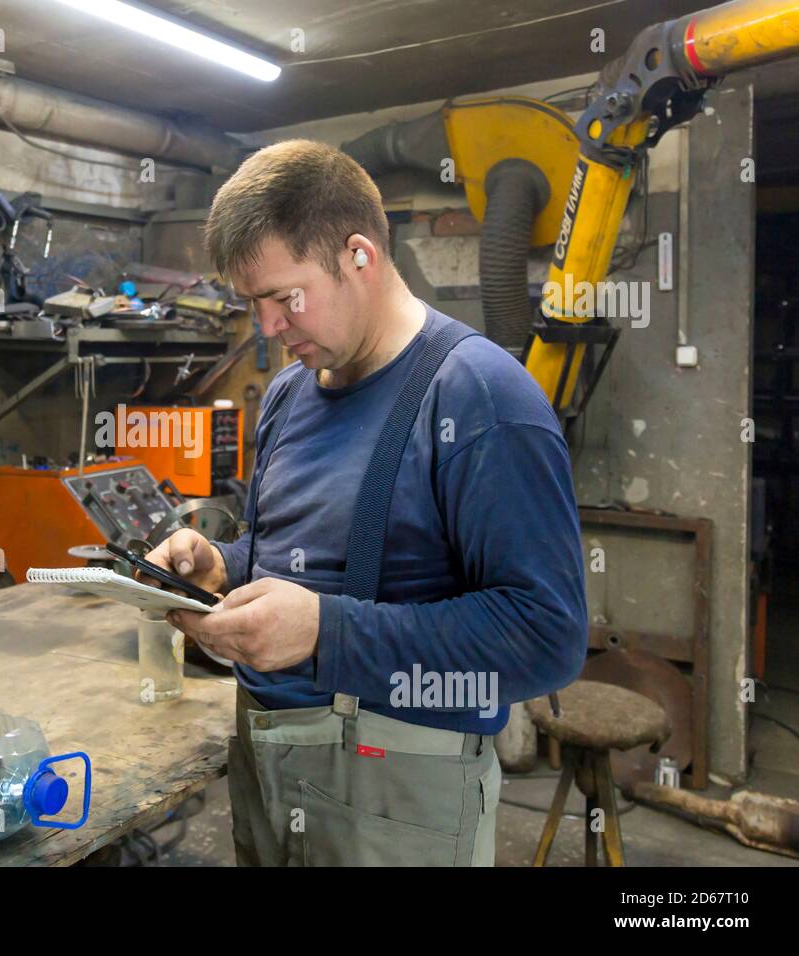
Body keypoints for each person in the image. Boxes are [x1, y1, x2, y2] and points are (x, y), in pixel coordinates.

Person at [141, 139, 588, 866]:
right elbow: (296, 553)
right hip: (268, 767)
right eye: (253, 304)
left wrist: (325, 634)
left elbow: (547, 639)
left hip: (398, 796)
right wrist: (218, 564)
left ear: (359, 256)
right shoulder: (290, 392)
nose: (268, 329)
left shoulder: (482, 397)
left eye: (286, 298)